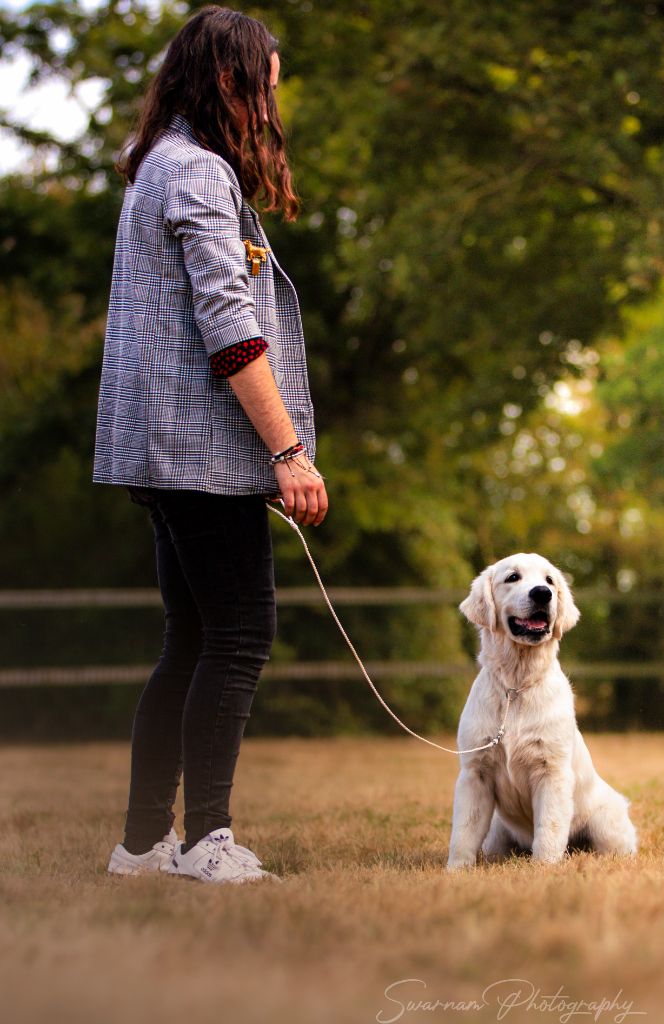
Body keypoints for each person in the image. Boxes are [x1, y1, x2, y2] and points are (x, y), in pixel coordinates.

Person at [95, 6, 327, 884]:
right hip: (197, 448)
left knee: (189, 639)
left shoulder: (155, 164)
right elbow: (228, 326)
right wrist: (287, 451)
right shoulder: (194, 174)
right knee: (238, 634)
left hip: (156, 447)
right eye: (265, 87)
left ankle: (143, 844)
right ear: (229, 81)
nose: (272, 107)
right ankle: (205, 841)